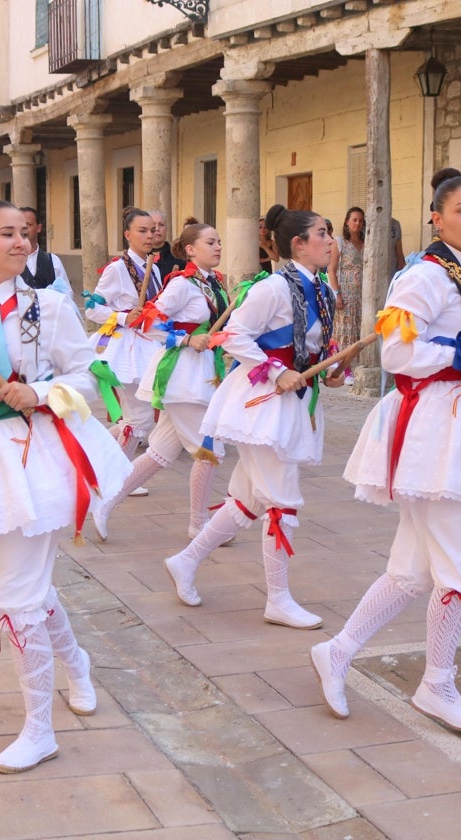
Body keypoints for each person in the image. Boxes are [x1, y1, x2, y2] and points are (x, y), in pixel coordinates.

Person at [311, 171, 461, 733]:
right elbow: (395, 353)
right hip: (436, 430)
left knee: (411, 571)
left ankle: (338, 651)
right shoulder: (424, 276)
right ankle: (437, 684)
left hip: (459, 422)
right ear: (437, 218)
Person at [0, 200, 130, 773]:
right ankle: (77, 663)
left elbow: (91, 374)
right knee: (27, 584)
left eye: (25, 233)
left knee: (15, 591)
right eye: (6, 234)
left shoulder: (51, 307)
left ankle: (40, 729)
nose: (21, 242)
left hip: (38, 456)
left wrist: (40, 392)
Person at [164, 204, 344, 630]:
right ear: (298, 245)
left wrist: (334, 370)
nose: (330, 241)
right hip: (260, 403)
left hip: (292, 403)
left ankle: (185, 561)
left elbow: (315, 347)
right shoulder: (272, 288)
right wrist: (278, 372)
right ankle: (278, 599)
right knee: (282, 500)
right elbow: (234, 336)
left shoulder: (324, 290)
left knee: (249, 499)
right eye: (323, 233)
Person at [92, 223, 229, 542]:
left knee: (161, 452)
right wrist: (183, 340)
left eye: (220, 241)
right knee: (210, 450)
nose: (218, 247)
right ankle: (199, 523)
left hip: (202, 372)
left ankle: (106, 503)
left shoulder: (215, 283)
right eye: (211, 242)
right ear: (191, 250)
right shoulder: (182, 284)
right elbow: (149, 323)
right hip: (182, 375)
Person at [84, 206, 163, 472]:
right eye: (142, 231)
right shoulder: (118, 268)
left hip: (147, 341)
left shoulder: (155, 267)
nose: (149, 236)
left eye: (152, 230)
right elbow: (93, 308)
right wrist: (122, 317)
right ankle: (117, 474)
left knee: (135, 416)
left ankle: (97, 460)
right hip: (125, 345)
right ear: (127, 234)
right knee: (139, 417)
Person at [327, 207, 366, 385]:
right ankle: (345, 368)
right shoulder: (340, 242)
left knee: (359, 331)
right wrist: (337, 294)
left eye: (360, 220)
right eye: (354, 220)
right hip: (346, 293)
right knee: (346, 333)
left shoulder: (366, 242)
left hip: (363, 294)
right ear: (347, 222)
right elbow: (331, 270)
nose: (357, 223)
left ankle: (358, 365)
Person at [18, 206, 73, 295]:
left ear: (39, 228)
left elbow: (67, 294)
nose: (24, 230)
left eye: (28, 225)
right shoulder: (8, 262)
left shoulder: (53, 261)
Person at [149, 209, 187, 276]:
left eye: (161, 225)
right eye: (153, 225)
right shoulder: (139, 255)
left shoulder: (178, 256)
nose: (157, 228)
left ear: (167, 229)